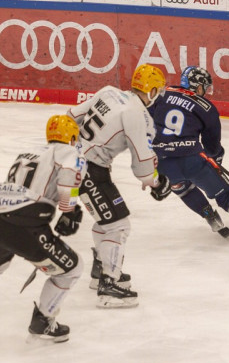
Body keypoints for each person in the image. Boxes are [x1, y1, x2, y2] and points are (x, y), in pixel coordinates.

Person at [0, 115, 88, 344]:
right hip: (24, 227)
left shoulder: (29, 153)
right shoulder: (68, 152)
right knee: (71, 268)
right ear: (71, 137)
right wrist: (69, 211)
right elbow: (68, 180)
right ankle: (43, 321)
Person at [68, 64, 166, 308]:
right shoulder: (138, 115)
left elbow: (70, 117)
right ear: (152, 91)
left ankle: (100, 271)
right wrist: (156, 182)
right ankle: (109, 286)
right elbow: (142, 165)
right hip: (90, 169)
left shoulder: (108, 92)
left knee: (109, 220)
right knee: (118, 225)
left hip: (73, 162)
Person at [148, 65, 229, 246]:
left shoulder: (160, 95)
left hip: (163, 164)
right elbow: (212, 146)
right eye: (205, 87)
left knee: (184, 190)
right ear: (198, 86)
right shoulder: (206, 107)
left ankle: (211, 217)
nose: (205, 92)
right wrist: (216, 159)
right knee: (227, 196)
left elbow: (144, 119)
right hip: (192, 159)